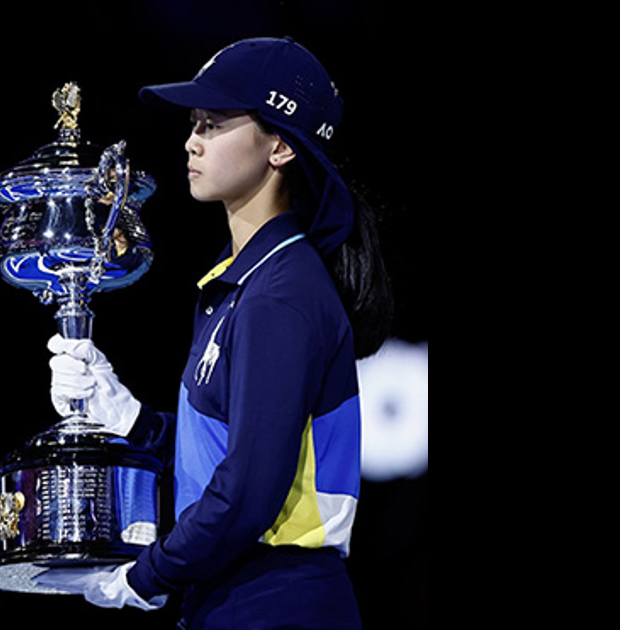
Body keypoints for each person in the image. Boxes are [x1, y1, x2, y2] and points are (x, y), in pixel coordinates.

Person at [33, 36, 393, 629]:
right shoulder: (245, 280)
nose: (191, 141)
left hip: (278, 603)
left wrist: (145, 575)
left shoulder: (281, 294)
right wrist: (132, 421)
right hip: (235, 594)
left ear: (280, 146)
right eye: (193, 123)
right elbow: (229, 458)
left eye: (214, 123)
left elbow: (247, 492)